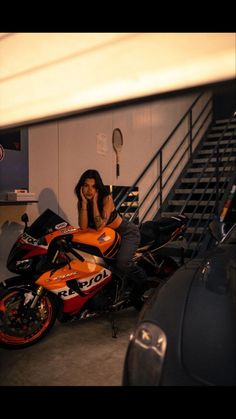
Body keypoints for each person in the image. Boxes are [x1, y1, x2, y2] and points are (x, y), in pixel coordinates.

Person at [74, 169, 148, 299]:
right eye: (86, 186)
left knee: (122, 263)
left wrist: (95, 202)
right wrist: (85, 204)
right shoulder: (82, 202)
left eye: (93, 186)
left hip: (126, 233)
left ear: (98, 188)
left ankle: (145, 282)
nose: (89, 190)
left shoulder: (106, 198)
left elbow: (99, 225)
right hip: (109, 237)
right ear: (81, 187)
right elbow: (83, 226)